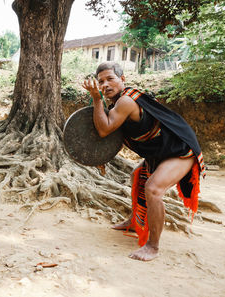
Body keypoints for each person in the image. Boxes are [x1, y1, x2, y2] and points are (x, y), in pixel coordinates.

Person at [82, 62, 206, 261]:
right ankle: (134, 221)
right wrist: (101, 157)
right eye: (100, 82)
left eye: (110, 79)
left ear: (122, 80)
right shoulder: (117, 103)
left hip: (179, 150)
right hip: (161, 152)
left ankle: (153, 247)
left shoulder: (126, 102)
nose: (105, 85)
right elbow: (120, 136)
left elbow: (104, 129)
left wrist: (96, 98)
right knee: (137, 176)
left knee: (153, 189)